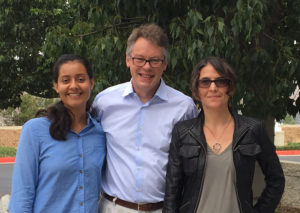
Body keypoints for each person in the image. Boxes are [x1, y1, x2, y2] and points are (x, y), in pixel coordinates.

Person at [91, 23, 198, 213]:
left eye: (155, 60)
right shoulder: (104, 103)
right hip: (113, 207)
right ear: (128, 60)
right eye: (139, 59)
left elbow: (193, 165)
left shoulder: (184, 107)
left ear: (164, 64)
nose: (146, 67)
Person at [163, 56, 285, 213]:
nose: (213, 88)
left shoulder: (253, 129)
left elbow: (276, 180)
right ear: (196, 90)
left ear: (230, 87)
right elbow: (172, 190)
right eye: (205, 82)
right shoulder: (183, 132)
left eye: (220, 81)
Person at [9, 54, 106, 212]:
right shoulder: (34, 131)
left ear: (92, 83)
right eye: (66, 80)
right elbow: (22, 194)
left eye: (81, 79)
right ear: (56, 86)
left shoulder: (100, 133)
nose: (74, 86)